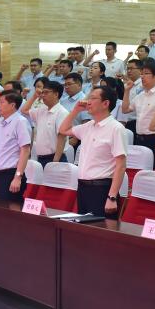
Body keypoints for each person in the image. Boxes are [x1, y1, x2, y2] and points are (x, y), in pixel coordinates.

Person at [58, 86, 127, 218]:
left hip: (102, 189)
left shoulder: (116, 128)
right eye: (88, 98)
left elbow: (121, 165)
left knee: (100, 229)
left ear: (105, 103)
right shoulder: (88, 126)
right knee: (83, 227)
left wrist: (112, 197)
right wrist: (76, 110)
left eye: (93, 98)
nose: (88, 102)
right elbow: (63, 130)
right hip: (83, 187)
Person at [0, 91, 32, 202]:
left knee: (10, 209)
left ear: (12, 105)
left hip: (11, 174)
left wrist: (18, 177)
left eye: (2, 102)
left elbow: (25, 150)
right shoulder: (0, 122)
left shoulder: (20, 122)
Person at [122, 59, 155, 155]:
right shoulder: (141, 95)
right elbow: (125, 110)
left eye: (146, 73)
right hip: (139, 138)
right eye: (141, 74)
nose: (142, 76)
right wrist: (127, 91)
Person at [20, 79, 68, 167]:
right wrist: (34, 96)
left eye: (46, 92)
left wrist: (55, 161)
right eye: (42, 92)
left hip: (55, 158)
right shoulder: (42, 110)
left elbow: (62, 137)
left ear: (56, 94)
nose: (42, 95)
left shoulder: (62, 112)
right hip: (41, 158)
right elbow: (24, 110)